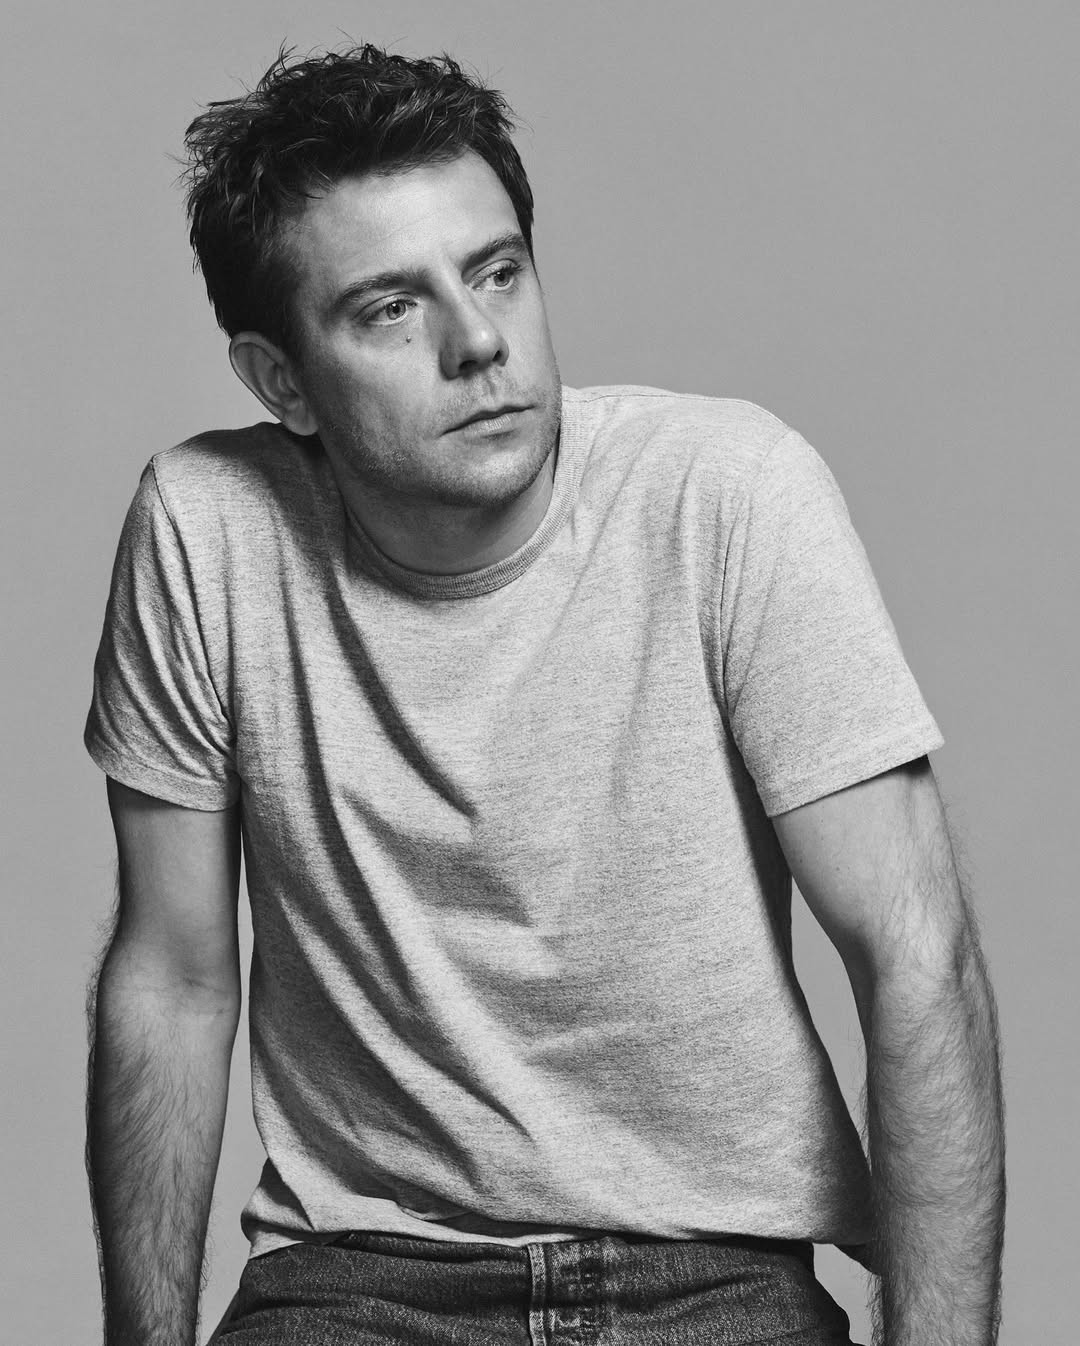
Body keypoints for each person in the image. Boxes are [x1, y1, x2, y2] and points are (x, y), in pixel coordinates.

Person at [83, 43, 1005, 1346]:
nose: (479, 343)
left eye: (498, 271)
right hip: (360, 1279)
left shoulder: (728, 494)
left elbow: (915, 948)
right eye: (389, 309)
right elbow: (173, 980)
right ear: (281, 379)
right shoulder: (207, 527)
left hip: (714, 1275)